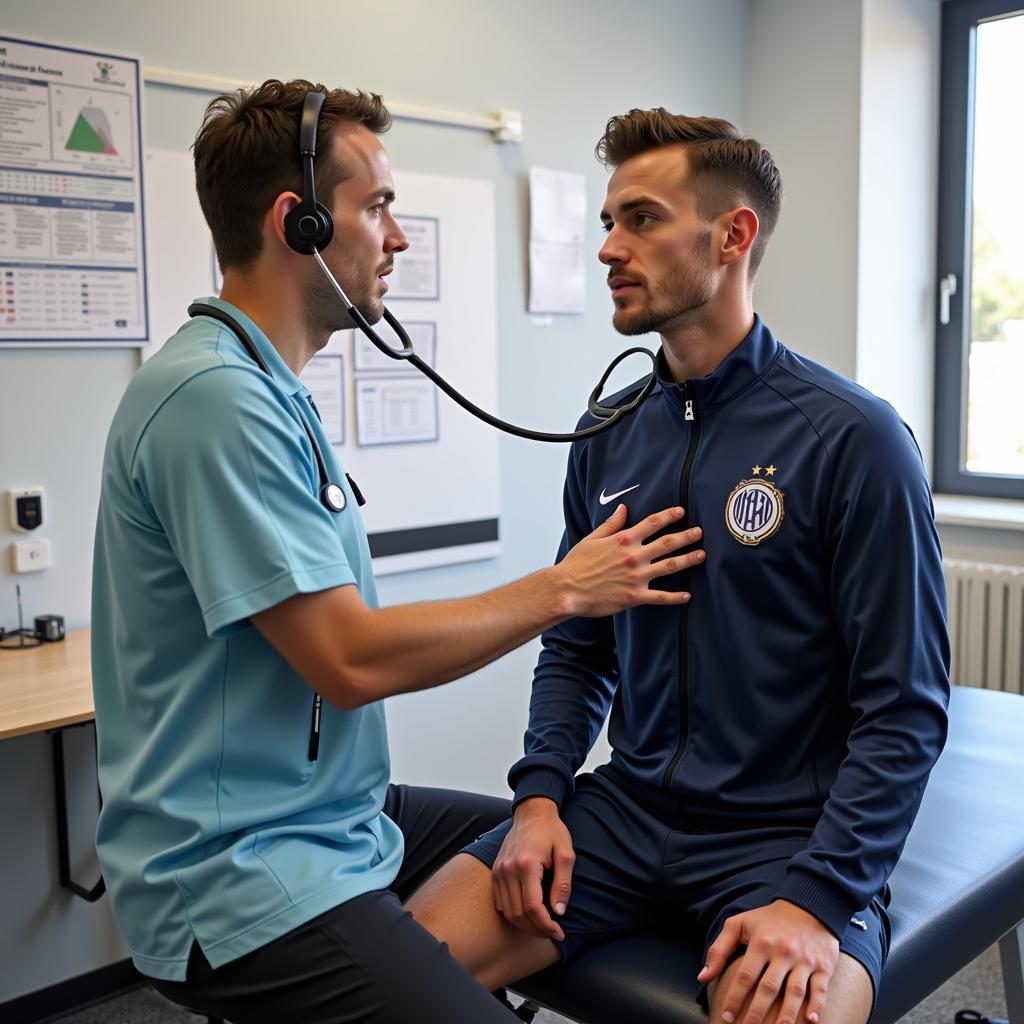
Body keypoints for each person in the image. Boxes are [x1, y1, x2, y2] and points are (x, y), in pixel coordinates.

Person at [90, 82, 706, 1024]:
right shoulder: (214, 403)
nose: (398, 235)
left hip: (335, 816)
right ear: (295, 224)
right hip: (239, 868)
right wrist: (562, 590)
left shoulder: (270, 391)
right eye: (375, 206)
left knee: (563, 841)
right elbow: (348, 659)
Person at [408, 108, 951, 1024]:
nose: (609, 248)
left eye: (642, 219)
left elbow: (904, 710)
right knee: (400, 975)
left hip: (787, 840)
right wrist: (540, 799)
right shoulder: (606, 433)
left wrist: (818, 898)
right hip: (623, 814)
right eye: (608, 222)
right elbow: (580, 650)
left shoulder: (853, 440)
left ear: (733, 235)